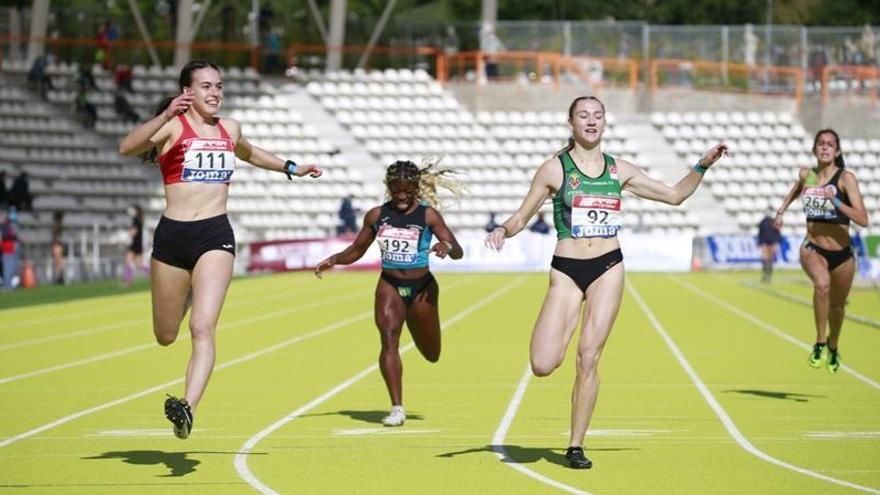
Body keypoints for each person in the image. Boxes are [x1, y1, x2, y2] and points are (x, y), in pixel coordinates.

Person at [485, 96, 728, 470]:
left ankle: (575, 445)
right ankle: (565, 383)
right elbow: (521, 216)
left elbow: (675, 195)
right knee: (543, 362)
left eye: (598, 115)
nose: (591, 121)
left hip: (608, 267)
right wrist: (502, 229)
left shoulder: (619, 170)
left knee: (588, 357)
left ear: (605, 123)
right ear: (571, 122)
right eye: (583, 115)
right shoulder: (554, 169)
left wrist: (702, 165)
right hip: (566, 269)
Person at [118, 59, 323, 439]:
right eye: (206, 86)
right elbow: (127, 146)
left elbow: (252, 153)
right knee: (166, 335)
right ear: (188, 93)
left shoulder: (230, 128)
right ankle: (190, 289)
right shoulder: (171, 128)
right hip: (172, 238)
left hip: (215, 235)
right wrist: (165, 113)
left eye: (219, 86)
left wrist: (293, 167)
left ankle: (187, 407)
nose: (215, 93)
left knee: (202, 327)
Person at [314, 158, 464, 427]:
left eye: (407, 190)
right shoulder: (376, 215)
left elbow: (457, 250)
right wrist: (335, 258)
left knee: (431, 353)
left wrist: (445, 246)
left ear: (416, 188)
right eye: (397, 191)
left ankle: (403, 393)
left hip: (422, 289)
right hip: (390, 285)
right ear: (389, 188)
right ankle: (397, 407)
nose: (402, 196)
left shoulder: (428, 215)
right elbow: (357, 249)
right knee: (389, 338)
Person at [773, 129, 869, 374]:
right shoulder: (809, 175)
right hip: (812, 247)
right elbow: (798, 187)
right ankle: (819, 341)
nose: (825, 148)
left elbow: (863, 219)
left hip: (843, 254)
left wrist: (835, 201)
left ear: (837, 151)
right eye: (821, 144)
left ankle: (833, 346)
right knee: (822, 285)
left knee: (837, 307)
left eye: (830, 144)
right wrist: (781, 211)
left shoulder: (846, 179)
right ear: (814, 149)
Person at [123, 204, 146, 287]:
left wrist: (126, 234)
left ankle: (128, 281)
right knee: (140, 265)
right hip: (138, 244)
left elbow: (134, 231)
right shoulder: (140, 219)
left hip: (135, 244)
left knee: (128, 261)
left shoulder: (135, 219)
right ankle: (154, 275)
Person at [757, 206, 781, 283]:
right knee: (765, 258)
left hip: (772, 242)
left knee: (770, 259)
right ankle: (765, 274)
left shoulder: (774, 221)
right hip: (764, 242)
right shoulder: (762, 222)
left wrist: (777, 242)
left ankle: (769, 275)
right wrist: (760, 243)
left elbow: (777, 233)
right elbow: (760, 233)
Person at [1, 207, 19, 291]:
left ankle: (8, 285)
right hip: (7, 246)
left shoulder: (8, 224)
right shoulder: (7, 225)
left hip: (8, 246)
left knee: (9, 266)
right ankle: (8, 284)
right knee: (8, 266)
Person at [51, 210, 65, 285]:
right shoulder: (59, 224)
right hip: (59, 245)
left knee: (58, 263)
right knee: (59, 263)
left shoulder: (56, 225)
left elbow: (55, 236)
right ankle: (60, 278)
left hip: (57, 245)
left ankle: (60, 279)